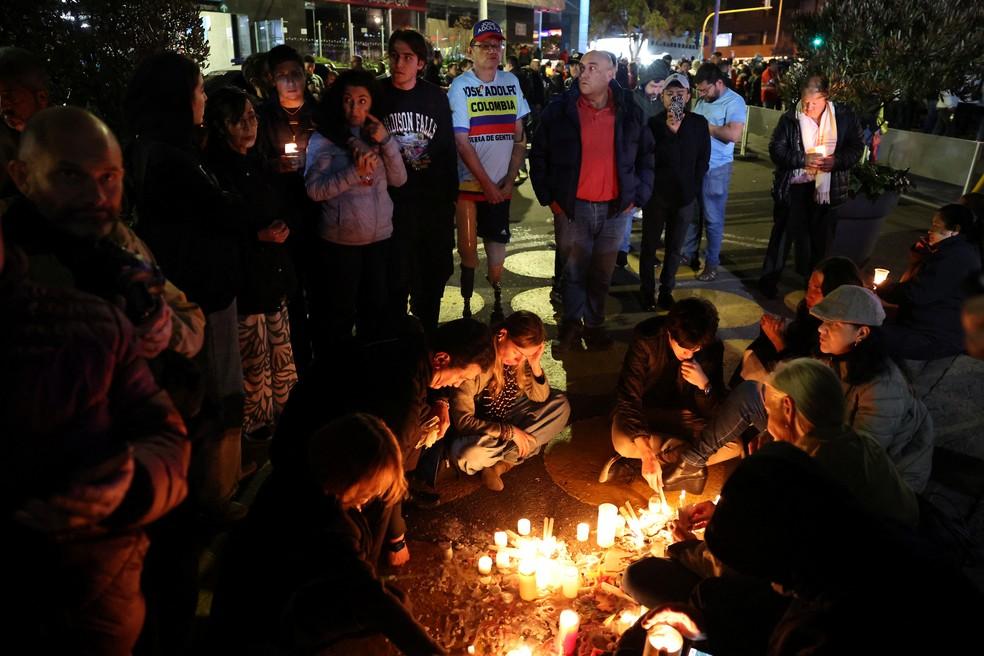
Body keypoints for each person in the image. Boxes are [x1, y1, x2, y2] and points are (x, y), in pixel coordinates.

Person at [0, 169, 189, 654]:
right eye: (76, 174)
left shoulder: (84, 313)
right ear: (27, 179)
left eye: (111, 176)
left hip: (104, 579)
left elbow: (163, 432)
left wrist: (132, 484)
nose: (99, 192)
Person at [618, 442, 981, 656]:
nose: (777, 586)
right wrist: (705, 630)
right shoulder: (861, 538)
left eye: (774, 576)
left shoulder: (831, 629)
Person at [126, 52, 251, 520]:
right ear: (177, 98)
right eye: (198, 90)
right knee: (215, 394)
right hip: (199, 294)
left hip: (197, 289)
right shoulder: (171, 156)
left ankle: (212, 490)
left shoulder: (164, 146)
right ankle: (213, 499)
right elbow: (227, 214)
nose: (203, 98)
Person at [210, 413, 446, 655]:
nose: (373, 494)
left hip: (267, 589)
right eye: (370, 487)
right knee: (389, 606)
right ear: (349, 477)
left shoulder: (299, 473)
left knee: (394, 600)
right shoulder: (330, 524)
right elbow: (372, 599)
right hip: (268, 617)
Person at [663, 285, 934, 494]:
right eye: (823, 322)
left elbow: (856, 459)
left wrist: (783, 449)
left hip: (877, 479)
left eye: (833, 325)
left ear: (861, 334)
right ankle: (692, 462)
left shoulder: (883, 388)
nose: (822, 330)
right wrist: (773, 433)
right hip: (826, 441)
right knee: (752, 393)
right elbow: (794, 399)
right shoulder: (831, 358)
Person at [271, 318, 496, 560]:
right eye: (460, 378)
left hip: (304, 421)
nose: (456, 385)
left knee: (420, 427)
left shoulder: (412, 337)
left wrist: (440, 401)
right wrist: (396, 539)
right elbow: (389, 470)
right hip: (307, 453)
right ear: (441, 358)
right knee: (377, 497)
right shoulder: (403, 393)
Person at [531, 50, 655, 350]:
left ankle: (595, 325)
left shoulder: (630, 111)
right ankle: (572, 327)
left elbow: (647, 157)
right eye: (581, 67)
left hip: (615, 211)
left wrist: (637, 197)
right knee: (573, 273)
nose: (583, 73)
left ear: (610, 73)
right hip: (574, 210)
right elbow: (538, 155)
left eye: (592, 67)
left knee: (601, 275)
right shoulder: (560, 110)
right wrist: (552, 200)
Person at [205, 87, 299, 441]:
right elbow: (217, 227)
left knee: (279, 352)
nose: (250, 124)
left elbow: (281, 207)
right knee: (254, 362)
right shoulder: (216, 173)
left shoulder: (259, 165)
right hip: (246, 283)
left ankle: (283, 419)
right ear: (221, 126)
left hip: (274, 275)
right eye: (239, 119)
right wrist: (257, 236)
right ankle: (254, 434)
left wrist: (286, 224)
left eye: (252, 116)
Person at [304, 69, 407, 346]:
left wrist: (386, 142)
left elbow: (399, 179)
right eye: (348, 100)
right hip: (340, 243)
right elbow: (314, 190)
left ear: (373, 102)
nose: (355, 108)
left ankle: (371, 373)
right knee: (338, 315)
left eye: (363, 100)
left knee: (375, 313)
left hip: (379, 240)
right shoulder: (324, 139)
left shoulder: (378, 135)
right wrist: (354, 173)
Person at [448, 19, 529, 320]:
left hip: (501, 184)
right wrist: (489, 184)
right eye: (485, 45)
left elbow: (519, 137)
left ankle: (496, 294)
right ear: (471, 51)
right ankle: (468, 304)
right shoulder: (460, 87)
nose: (492, 51)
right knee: (468, 249)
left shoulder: (511, 82)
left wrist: (508, 181)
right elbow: (462, 142)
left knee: (498, 245)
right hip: (470, 186)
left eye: (497, 45)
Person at [379, 29, 458, 334]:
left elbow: (447, 149)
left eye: (407, 57)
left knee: (430, 286)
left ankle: (427, 351)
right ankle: (398, 354)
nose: (399, 63)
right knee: (394, 286)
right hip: (391, 207)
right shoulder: (377, 94)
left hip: (431, 208)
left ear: (421, 63)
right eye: (395, 55)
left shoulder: (435, 97)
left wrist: (450, 200)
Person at [758, 74, 865, 299]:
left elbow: (856, 148)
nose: (807, 107)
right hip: (795, 187)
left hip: (827, 188)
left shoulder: (843, 117)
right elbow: (776, 150)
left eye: (813, 103)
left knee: (821, 241)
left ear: (825, 98)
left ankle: (815, 286)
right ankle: (768, 281)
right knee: (782, 236)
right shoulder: (790, 118)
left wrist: (836, 161)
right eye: (804, 101)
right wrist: (801, 159)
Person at [602, 298, 724, 484]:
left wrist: (704, 385)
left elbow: (716, 409)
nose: (690, 355)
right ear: (669, 333)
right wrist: (645, 450)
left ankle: (658, 459)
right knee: (623, 442)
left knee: (734, 445)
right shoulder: (647, 339)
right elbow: (629, 396)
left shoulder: (712, 347)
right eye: (684, 348)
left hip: (685, 417)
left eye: (696, 349)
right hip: (645, 412)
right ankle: (682, 458)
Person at [450, 311, 571, 491]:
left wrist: (535, 364)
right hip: (481, 427)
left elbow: (540, 397)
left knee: (561, 405)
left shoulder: (521, 361)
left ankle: (499, 463)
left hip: (509, 413)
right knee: (468, 454)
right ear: (502, 334)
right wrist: (511, 432)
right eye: (517, 352)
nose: (518, 360)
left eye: (525, 356)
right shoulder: (477, 357)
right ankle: (509, 459)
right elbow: (463, 421)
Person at [256, 44, 319, 369]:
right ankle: (297, 361)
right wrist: (273, 165)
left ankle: (323, 357)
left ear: (305, 75)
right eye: (283, 77)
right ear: (272, 80)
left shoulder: (319, 113)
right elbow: (252, 162)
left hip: (318, 212)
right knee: (291, 292)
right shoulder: (262, 117)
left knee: (320, 287)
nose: (290, 82)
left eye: (295, 74)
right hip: (282, 213)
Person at [640, 73, 710, 310]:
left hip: (684, 197)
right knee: (649, 246)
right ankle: (647, 291)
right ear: (662, 97)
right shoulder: (653, 123)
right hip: (657, 196)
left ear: (688, 96)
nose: (675, 98)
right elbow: (648, 159)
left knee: (674, 247)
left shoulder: (698, 124)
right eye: (670, 94)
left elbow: (703, 160)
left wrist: (692, 187)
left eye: (680, 94)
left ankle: (666, 290)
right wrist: (670, 131)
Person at [734, 256, 861, 385]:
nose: (808, 295)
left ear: (836, 292)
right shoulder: (809, 313)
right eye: (809, 286)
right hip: (794, 362)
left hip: (803, 383)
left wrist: (777, 340)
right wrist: (775, 331)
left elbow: (806, 375)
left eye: (817, 289)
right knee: (762, 345)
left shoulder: (841, 330)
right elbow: (799, 339)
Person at [877, 203, 982, 359]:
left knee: (866, 334)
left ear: (955, 230)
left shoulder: (955, 257)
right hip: (927, 327)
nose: (930, 231)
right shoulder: (952, 251)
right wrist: (918, 259)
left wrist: (882, 289)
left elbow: (917, 293)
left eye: (936, 226)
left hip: (934, 336)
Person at [681, 63, 747, 282]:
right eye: (699, 90)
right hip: (695, 166)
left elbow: (733, 134)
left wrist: (704, 126)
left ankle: (711, 263)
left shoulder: (735, 102)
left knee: (713, 219)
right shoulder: (702, 100)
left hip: (717, 169)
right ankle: (688, 254)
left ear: (719, 83)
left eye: (705, 89)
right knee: (692, 215)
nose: (702, 94)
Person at [0, 47, 51, 199]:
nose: (3, 104)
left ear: (41, 98)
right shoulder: (4, 143)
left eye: (8, 95)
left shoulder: (64, 139)